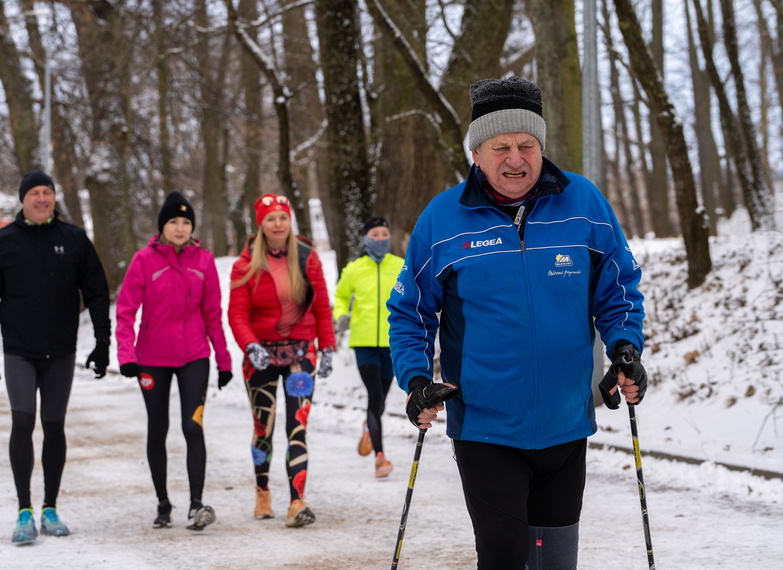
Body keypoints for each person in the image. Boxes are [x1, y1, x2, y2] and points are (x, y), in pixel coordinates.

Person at [387, 76, 648, 569]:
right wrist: (417, 380)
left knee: (555, 562)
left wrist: (625, 349)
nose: (516, 158)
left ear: (541, 147)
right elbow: (410, 312)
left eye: (527, 144)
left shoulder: (584, 206)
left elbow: (619, 291)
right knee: (504, 555)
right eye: (501, 145)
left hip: (566, 425)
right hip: (486, 427)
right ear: (476, 154)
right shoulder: (442, 220)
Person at [0, 170, 111, 544]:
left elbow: (97, 291)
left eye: (47, 192)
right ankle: (24, 512)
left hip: (60, 351)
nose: (41, 198)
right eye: (34, 193)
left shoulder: (74, 239)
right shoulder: (2, 243)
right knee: (22, 423)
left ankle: (49, 508)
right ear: (23, 199)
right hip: (19, 351)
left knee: (54, 427)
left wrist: (102, 341)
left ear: (54, 198)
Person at [115, 191, 232, 531]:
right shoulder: (143, 261)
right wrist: (126, 356)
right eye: (173, 222)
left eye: (186, 222)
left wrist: (224, 361)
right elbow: (125, 312)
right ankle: (163, 503)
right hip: (151, 359)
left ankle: (196, 505)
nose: (180, 228)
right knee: (158, 429)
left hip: (194, 355)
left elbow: (213, 314)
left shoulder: (204, 261)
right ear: (162, 226)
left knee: (192, 426)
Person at [228, 193, 335, 528]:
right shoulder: (244, 264)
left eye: (283, 218)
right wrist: (250, 346)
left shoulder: (307, 259)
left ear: (290, 222)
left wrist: (328, 346)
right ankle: (262, 490)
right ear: (261, 224)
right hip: (260, 355)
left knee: (297, 427)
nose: (277, 224)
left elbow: (322, 307)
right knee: (264, 427)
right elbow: (237, 313)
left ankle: (296, 500)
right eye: (271, 218)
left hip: (300, 354)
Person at [333, 216, 404, 478]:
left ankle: (368, 428)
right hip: (363, 342)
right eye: (375, 234)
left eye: (385, 234)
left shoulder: (400, 266)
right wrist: (341, 315)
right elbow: (340, 296)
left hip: (392, 341)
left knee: (381, 398)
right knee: (375, 395)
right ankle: (380, 456)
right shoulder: (354, 269)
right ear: (365, 238)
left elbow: (410, 295)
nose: (381, 239)